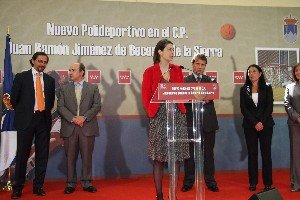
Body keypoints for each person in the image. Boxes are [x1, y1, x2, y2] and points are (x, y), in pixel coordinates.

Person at [142, 39, 189, 200]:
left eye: (173, 49)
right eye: (169, 49)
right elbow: (146, 96)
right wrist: (151, 113)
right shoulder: (150, 71)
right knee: (159, 158)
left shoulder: (177, 70)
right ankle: (160, 195)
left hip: (177, 115)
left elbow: (182, 91)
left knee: (175, 157)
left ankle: (173, 195)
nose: (172, 52)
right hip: (158, 116)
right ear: (160, 52)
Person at [10, 52, 56, 199]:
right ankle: (17, 188)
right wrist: (26, 112)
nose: (42, 64)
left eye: (45, 62)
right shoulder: (21, 77)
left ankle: (38, 186)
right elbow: (14, 100)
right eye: (40, 61)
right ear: (33, 61)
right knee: (23, 154)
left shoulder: (50, 80)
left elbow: (50, 103)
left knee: (42, 155)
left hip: (43, 120)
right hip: (26, 120)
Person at [57, 62, 101, 194]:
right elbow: (60, 107)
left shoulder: (93, 88)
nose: (70, 72)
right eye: (69, 70)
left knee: (87, 156)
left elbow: (97, 105)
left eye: (73, 70)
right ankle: (70, 183)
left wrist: (84, 117)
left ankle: (87, 183)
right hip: (70, 126)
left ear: (81, 72)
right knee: (70, 157)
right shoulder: (64, 88)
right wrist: (73, 118)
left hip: (87, 127)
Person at [181, 54, 219, 192]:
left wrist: (207, 97)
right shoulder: (185, 81)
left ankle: (210, 181)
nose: (200, 67)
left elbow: (212, 97)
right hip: (191, 122)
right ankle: (188, 181)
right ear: (193, 65)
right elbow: (184, 100)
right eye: (198, 64)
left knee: (208, 154)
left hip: (208, 123)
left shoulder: (211, 81)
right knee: (190, 154)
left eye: (203, 65)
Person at [240, 64, 274, 192]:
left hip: (266, 125)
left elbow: (269, 107)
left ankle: (268, 183)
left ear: (260, 74)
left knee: (266, 154)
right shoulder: (244, 89)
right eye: (249, 72)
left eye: (254, 71)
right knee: (252, 154)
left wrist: (261, 122)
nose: (251, 74)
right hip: (249, 126)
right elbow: (244, 109)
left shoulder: (267, 88)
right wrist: (255, 122)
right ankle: (253, 182)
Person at [284, 63, 300, 192]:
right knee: (296, 155)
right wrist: (296, 117)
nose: (298, 73)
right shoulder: (289, 87)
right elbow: (287, 104)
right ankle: (296, 183)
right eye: (296, 71)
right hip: (295, 124)